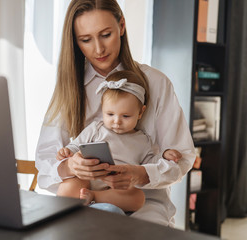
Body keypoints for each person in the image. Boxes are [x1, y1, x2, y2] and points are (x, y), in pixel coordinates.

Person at [35, 0, 195, 227]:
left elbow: (183, 157)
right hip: (83, 200)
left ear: (121, 26)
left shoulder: (156, 83)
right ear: (75, 41)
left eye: (106, 34)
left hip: (142, 205)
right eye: (86, 40)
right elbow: (46, 158)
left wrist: (139, 174)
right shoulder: (69, 87)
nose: (98, 49)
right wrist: (70, 166)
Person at [56, 70, 182, 213]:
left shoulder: (143, 140)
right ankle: (73, 208)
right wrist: (68, 151)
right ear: (102, 109)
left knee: (137, 198)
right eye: (110, 114)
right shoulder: (96, 128)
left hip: (116, 188)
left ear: (140, 112)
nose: (117, 121)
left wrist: (164, 155)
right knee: (67, 187)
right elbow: (76, 145)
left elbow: (150, 162)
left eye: (126, 116)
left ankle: (95, 198)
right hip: (88, 180)